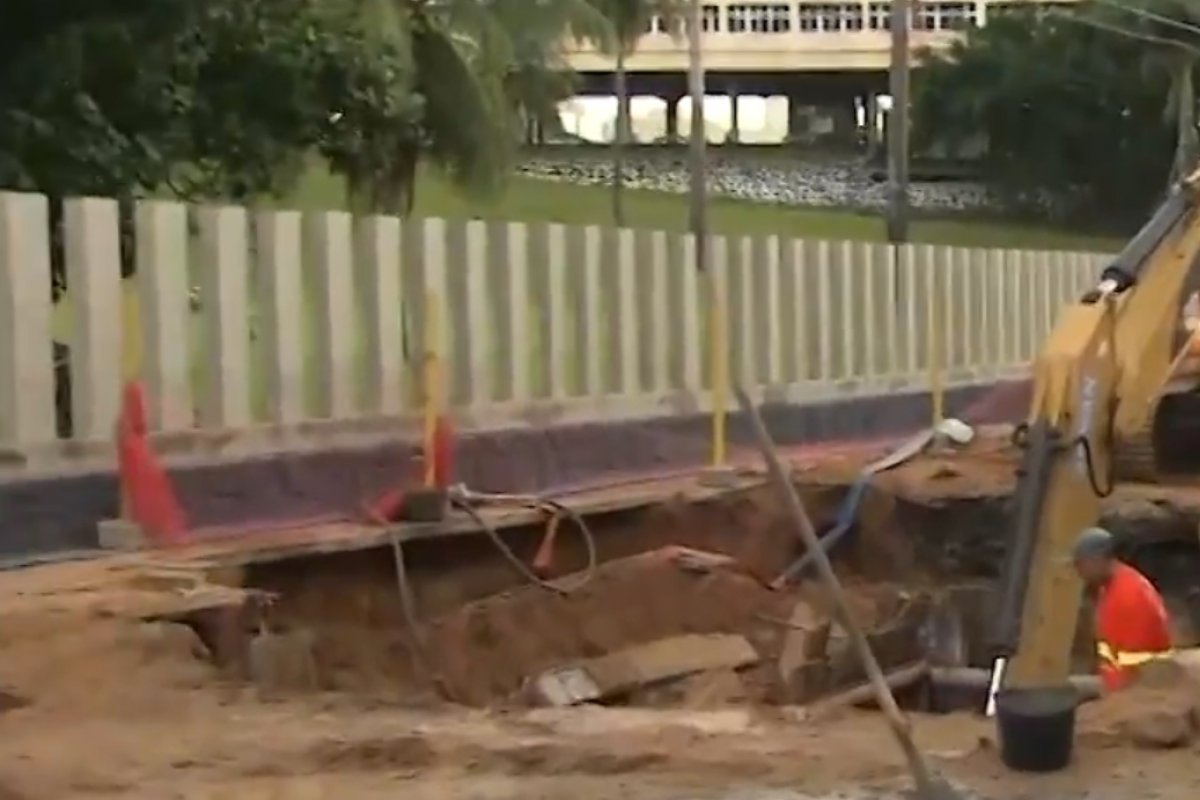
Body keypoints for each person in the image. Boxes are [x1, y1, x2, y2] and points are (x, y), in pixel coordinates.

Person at [1072, 527, 1173, 692]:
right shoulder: (1112, 585)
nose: (1079, 572)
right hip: (1116, 679)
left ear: (1096, 560)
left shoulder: (1130, 596)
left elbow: (1135, 673)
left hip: (1138, 688)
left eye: (1080, 564)